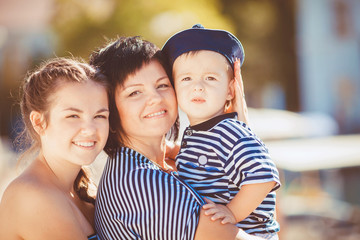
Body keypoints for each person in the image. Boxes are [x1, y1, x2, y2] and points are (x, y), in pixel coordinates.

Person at [90, 36, 264, 240]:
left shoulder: (173, 162)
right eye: (135, 92)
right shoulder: (141, 183)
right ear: (109, 107)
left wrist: (238, 136)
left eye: (162, 85)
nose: (155, 98)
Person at [162, 24, 281, 239]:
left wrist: (232, 211)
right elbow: (211, 162)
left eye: (210, 78)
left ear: (229, 90)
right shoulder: (200, 134)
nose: (197, 86)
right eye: (186, 78)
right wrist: (173, 151)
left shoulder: (231, 133)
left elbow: (264, 177)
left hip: (251, 233)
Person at [0, 58, 110, 240]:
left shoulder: (84, 190)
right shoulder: (31, 196)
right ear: (39, 122)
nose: (90, 129)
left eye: (100, 115)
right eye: (73, 115)